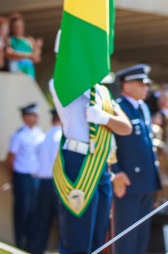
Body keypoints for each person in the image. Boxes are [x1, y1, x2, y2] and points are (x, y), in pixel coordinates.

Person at [49, 78, 132, 254]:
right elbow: (56, 80)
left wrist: (104, 118)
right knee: (76, 237)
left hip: (100, 164)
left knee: (98, 238)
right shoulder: (67, 84)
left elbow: (126, 127)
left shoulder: (103, 93)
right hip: (78, 161)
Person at [110, 64, 161, 254]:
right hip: (127, 182)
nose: (145, 88)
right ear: (126, 85)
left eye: (146, 84)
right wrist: (115, 172)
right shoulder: (117, 107)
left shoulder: (144, 108)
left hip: (145, 182)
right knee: (125, 239)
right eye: (141, 84)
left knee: (141, 240)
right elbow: (109, 143)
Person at [5, 103, 45, 251]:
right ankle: (19, 245)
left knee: (35, 214)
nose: (35, 118)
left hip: (36, 178)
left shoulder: (40, 134)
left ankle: (31, 246)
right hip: (22, 178)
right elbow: (10, 159)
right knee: (22, 212)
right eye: (32, 115)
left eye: (36, 115)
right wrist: (14, 178)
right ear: (25, 117)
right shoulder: (18, 135)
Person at [31, 108, 62, 254]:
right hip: (58, 184)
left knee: (42, 223)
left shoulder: (42, 137)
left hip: (43, 183)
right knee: (63, 224)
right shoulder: (63, 137)